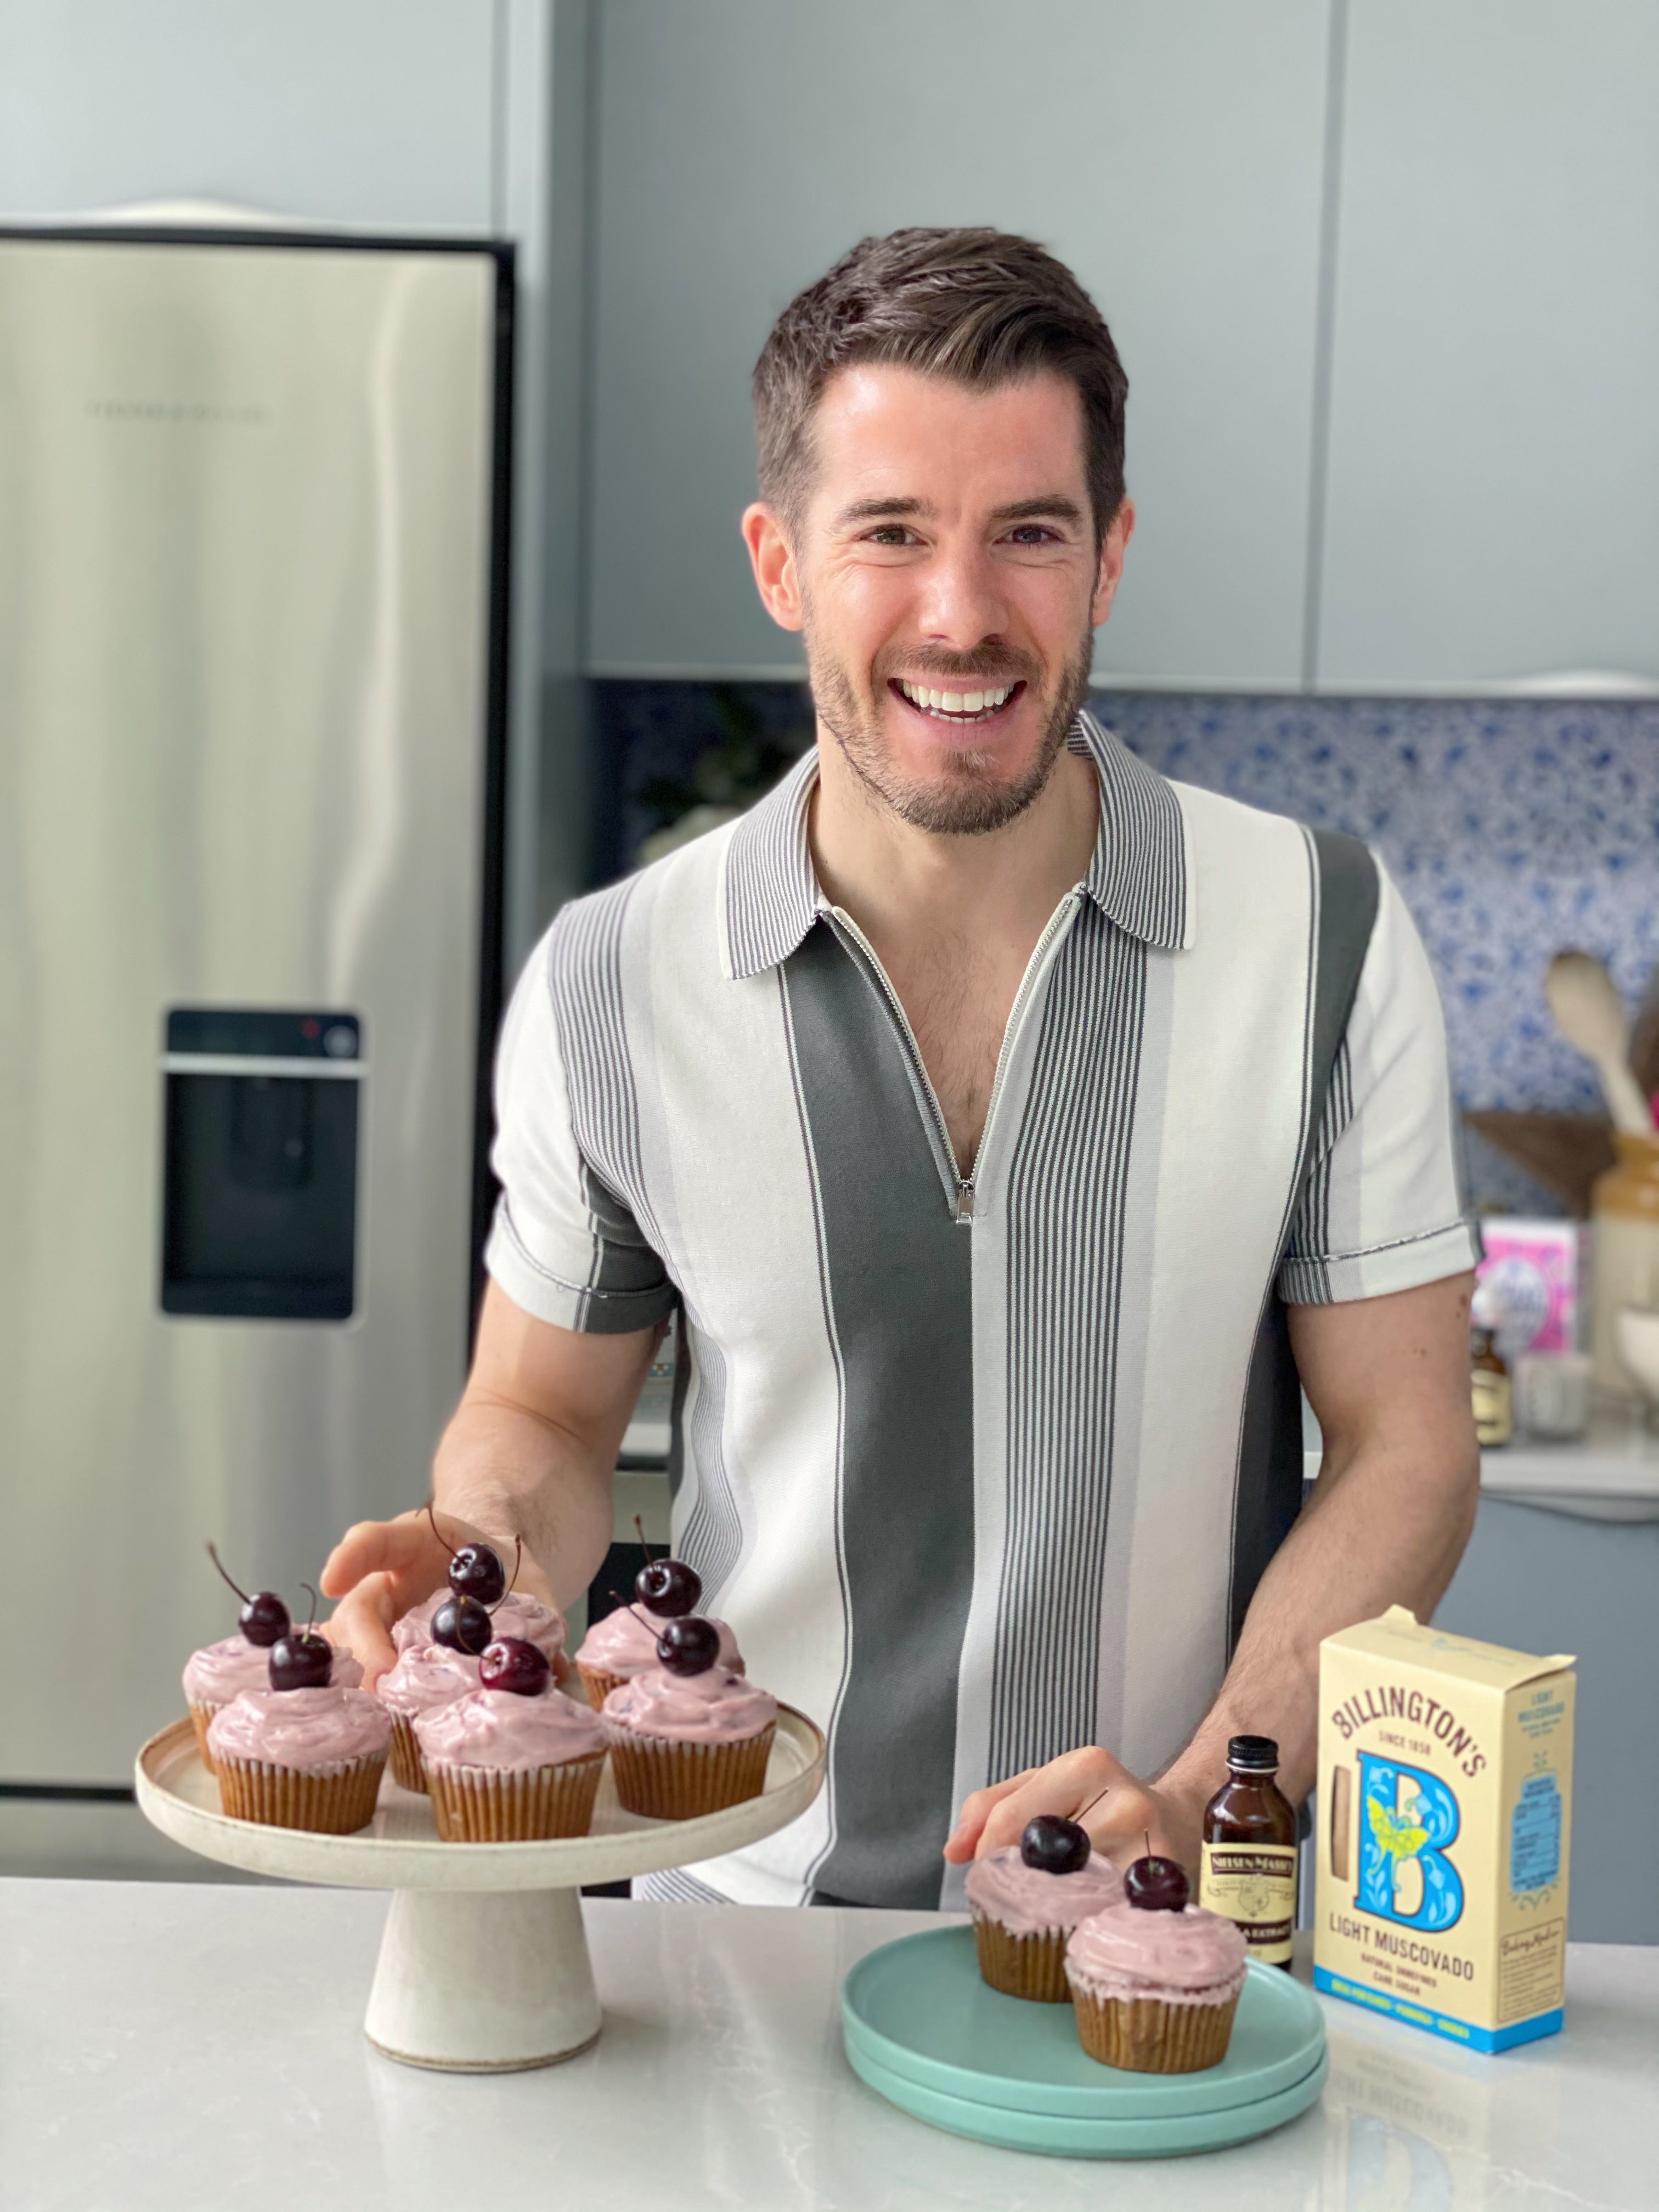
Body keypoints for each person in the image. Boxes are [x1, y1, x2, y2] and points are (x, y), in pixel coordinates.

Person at [323, 228, 1480, 1910]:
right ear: (780, 563)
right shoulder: (611, 982)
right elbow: (544, 1413)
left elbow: (1408, 1447)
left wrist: (1203, 1790)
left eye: (1030, 533)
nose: (963, 614)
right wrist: (489, 1557)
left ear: (1111, 557)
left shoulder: (1324, 939)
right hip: (731, 1924)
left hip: (1145, 1945)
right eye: (890, 535)